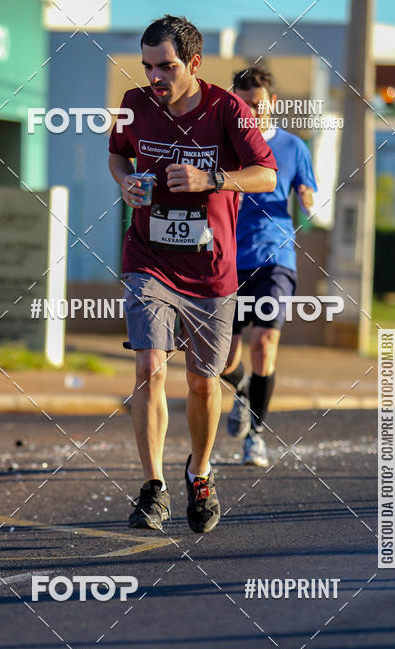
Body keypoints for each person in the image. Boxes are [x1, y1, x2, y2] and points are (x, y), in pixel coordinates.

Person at [108, 16, 277, 533]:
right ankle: (153, 487)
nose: (155, 76)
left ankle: (199, 474)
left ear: (194, 64)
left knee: (204, 383)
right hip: (148, 259)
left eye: (166, 66)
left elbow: (267, 175)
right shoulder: (132, 105)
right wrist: (126, 186)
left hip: (210, 271)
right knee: (148, 367)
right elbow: (117, 156)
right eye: (148, 66)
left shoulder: (228, 109)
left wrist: (214, 177)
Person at [222, 65, 317, 467]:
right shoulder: (227, 145)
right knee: (223, 359)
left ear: (273, 103)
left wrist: (308, 197)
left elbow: (308, 192)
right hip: (226, 258)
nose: (252, 113)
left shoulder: (294, 147)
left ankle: (256, 437)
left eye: (258, 105)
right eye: (243, 106)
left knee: (264, 344)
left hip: (275, 257)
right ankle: (242, 391)